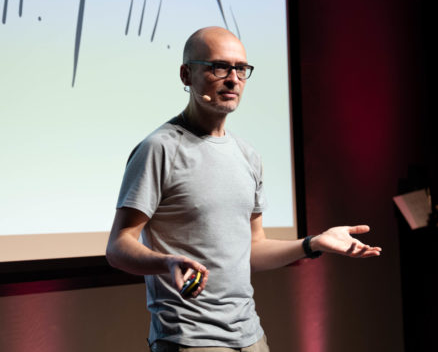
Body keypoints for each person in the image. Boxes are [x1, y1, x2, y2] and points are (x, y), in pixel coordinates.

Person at [106, 26, 381, 351]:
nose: (233, 78)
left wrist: (312, 243)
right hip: (189, 340)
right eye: (219, 67)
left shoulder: (247, 154)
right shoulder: (160, 149)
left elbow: (253, 249)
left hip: (250, 336)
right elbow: (118, 246)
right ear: (186, 74)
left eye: (241, 69)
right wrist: (166, 262)